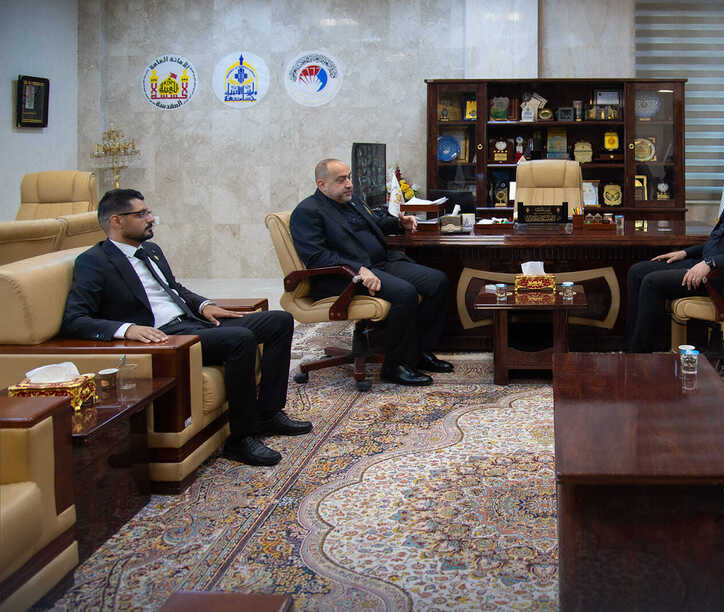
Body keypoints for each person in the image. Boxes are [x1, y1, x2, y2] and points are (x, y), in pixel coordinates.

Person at [61, 189, 310, 467]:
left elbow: (174, 288)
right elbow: (74, 320)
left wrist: (204, 305)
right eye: (141, 214)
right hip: (167, 337)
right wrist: (127, 329)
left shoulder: (150, 251)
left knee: (279, 321)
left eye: (148, 212)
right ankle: (240, 439)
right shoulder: (94, 262)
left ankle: (268, 413)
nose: (151, 218)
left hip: (192, 322)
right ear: (116, 221)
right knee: (240, 339)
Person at [289, 158, 452, 386]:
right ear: (322, 184)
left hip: (380, 264)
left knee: (437, 281)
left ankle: (419, 352)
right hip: (344, 277)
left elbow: (375, 223)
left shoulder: (352, 201)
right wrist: (357, 269)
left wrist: (400, 224)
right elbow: (317, 257)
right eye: (341, 180)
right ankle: (394, 366)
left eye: (348, 177)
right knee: (404, 293)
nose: (349, 184)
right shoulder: (307, 212)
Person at [625, 140, 724, 352]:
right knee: (637, 271)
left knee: (652, 282)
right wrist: (685, 253)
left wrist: (711, 263)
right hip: (715, 269)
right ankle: (631, 345)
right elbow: (719, 239)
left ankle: (643, 354)